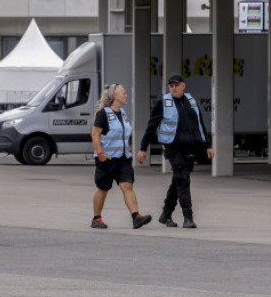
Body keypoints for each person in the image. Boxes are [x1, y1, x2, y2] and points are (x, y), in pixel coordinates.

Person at [138, 74, 214, 229]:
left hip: (190, 148)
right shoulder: (163, 102)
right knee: (183, 180)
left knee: (178, 181)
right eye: (171, 86)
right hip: (174, 148)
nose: (173, 88)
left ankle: (166, 214)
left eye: (176, 85)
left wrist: (208, 145)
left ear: (183, 86)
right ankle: (188, 217)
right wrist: (143, 148)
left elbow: (201, 124)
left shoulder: (191, 101)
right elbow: (151, 126)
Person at [90, 83, 152, 230]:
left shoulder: (122, 113)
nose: (126, 95)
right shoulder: (103, 114)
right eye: (123, 93)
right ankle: (96, 218)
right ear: (115, 96)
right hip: (107, 159)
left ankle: (136, 217)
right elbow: (95, 134)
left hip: (123, 158)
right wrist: (100, 154)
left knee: (127, 185)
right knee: (103, 188)